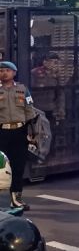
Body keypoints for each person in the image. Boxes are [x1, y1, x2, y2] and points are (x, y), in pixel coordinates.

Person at [0, 61, 36, 211]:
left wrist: (32, 132)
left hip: (20, 132)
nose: (4, 73)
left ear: (14, 73)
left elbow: (29, 110)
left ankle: (16, 199)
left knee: (18, 166)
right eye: (1, 71)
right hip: (2, 133)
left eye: (7, 70)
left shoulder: (22, 90)